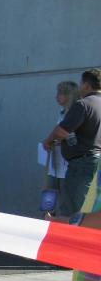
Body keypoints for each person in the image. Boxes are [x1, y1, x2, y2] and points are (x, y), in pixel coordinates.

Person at [42, 69, 101, 216]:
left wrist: (48, 141)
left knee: (73, 208)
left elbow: (60, 131)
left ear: (86, 85)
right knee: (90, 208)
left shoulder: (83, 105)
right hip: (96, 163)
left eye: (81, 83)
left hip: (82, 164)